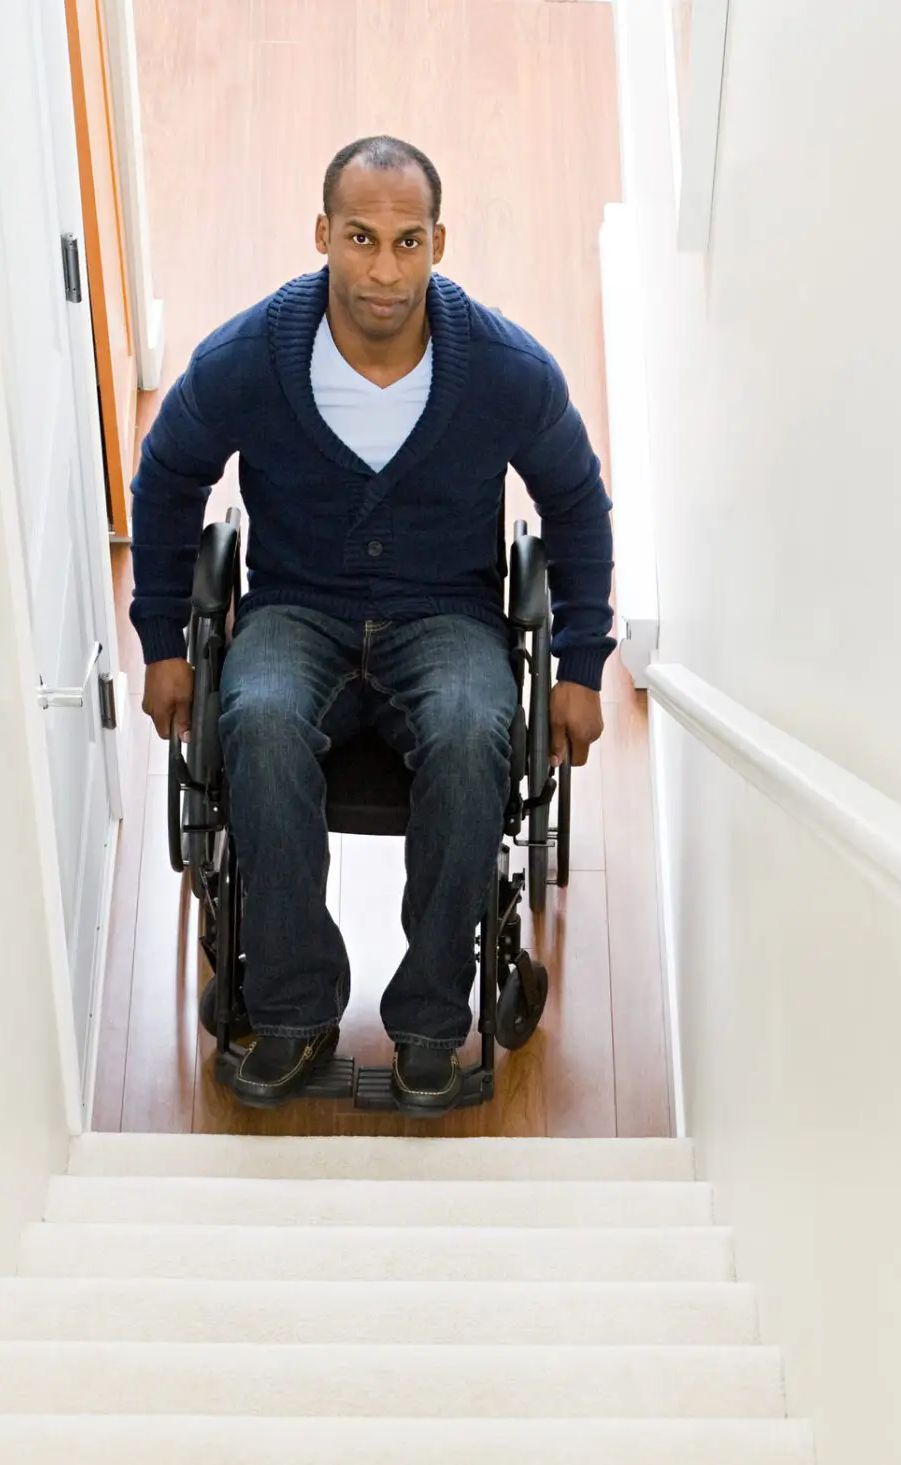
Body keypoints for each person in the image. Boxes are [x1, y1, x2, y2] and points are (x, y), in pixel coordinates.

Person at [130, 134, 615, 1112]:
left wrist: (578, 662)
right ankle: (297, 1003)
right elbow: (168, 476)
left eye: (406, 241)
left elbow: (575, 502)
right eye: (360, 238)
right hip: (294, 609)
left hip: (448, 617)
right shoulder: (250, 358)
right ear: (323, 234)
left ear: (439, 241)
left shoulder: (503, 370)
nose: (382, 270)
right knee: (255, 719)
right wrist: (161, 643)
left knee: (476, 730)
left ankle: (433, 1016)